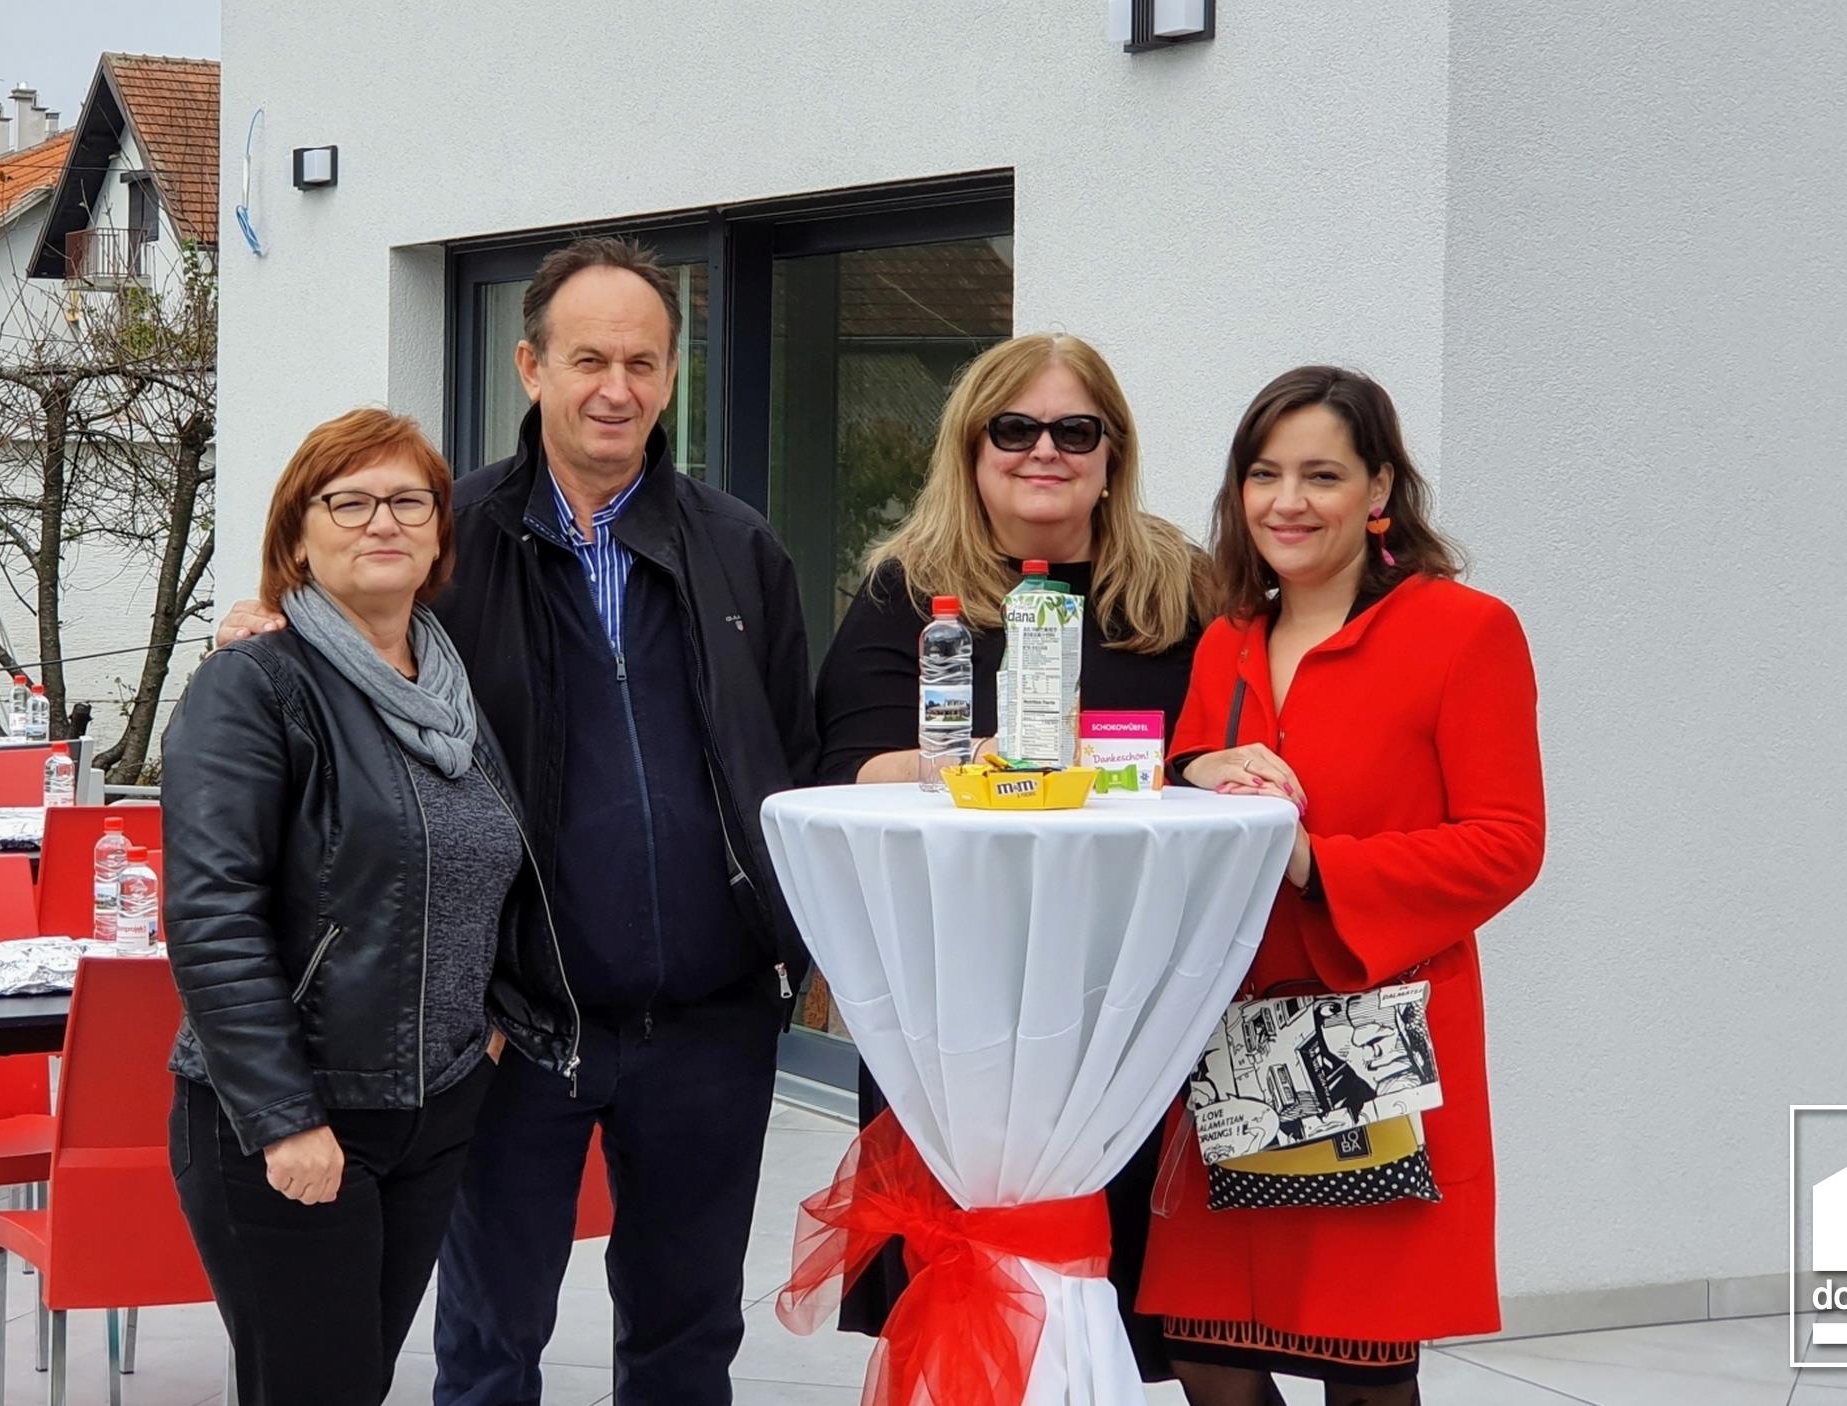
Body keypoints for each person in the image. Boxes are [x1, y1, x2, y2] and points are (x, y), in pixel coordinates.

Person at [215, 236, 819, 1406]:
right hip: (511, 1026)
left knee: (690, 1343)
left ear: (673, 374)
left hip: (710, 1024)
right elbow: (348, 652)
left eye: (642, 362)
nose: (616, 388)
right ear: (530, 366)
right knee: (491, 1347)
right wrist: (270, 630)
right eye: (588, 359)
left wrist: (785, 952)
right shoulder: (451, 537)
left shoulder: (740, 547)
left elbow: (786, 764)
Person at [811, 331, 1214, 1380]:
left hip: (1128, 998)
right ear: (971, 448)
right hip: (960, 995)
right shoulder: (909, 589)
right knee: (970, 1301)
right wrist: (975, 765)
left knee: (1130, 1291)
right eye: (1015, 428)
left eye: (1075, 430)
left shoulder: (1179, 587)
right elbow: (847, 767)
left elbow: (1219, 749)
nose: (1045, 450)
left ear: (1112, 452)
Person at [1149, 366, 1545, 1406]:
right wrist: (1195, 768)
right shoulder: (1228, 639)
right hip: (1234, 1050)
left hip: (1376, 1052)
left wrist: (1314, 860)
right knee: (1208, 1356)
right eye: (1263, 473)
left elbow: (1507, 844)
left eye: (1320, 475)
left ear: (1379, 490)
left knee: (1364, 1373)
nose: (1287, 500)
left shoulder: (1465, 631)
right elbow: (1191, 790)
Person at [162, 408, 521, 1405]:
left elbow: (491, 873)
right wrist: (284, 1118)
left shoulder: (449, 691)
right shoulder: (254, 684)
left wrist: (485, 1040)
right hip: (294, 1119)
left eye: (409, 501)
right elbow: (212, 913)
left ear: (440, 534)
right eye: (350, 502)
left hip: (430, 1108)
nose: (383, 522)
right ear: (297, 536)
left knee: (353, 1384)